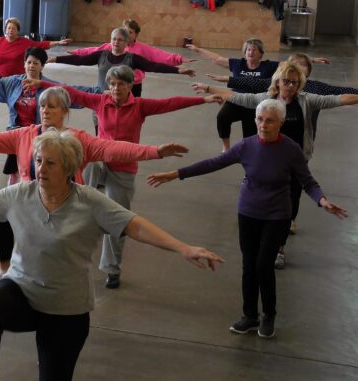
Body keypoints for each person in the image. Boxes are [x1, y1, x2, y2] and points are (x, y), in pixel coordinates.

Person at [0, 130, 223, 381]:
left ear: (69, 167)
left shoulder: (90, 202)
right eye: (38, 161)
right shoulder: (21, 193)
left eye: (50, 163)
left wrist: (184, 248)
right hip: (21, 292)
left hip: (65, 309)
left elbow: (135, 226)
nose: (41, 168)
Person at [0, 86, 189, 285]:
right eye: (43, 106)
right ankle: (4, 268)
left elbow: (114, 149)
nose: (45, 111)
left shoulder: (80, 140)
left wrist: (155, 151)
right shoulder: (24, 135)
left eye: (52, 107)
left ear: (65, 112)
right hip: (30, 200)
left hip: (64, 205)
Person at [147, 99, 346, 339]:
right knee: (249, 265)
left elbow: (308, 181)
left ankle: (269, 314)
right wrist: (175, 174)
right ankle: (250, 315)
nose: (263, 125)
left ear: (280, 123)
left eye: (269, 121)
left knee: (264, 265)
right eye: (260, 119)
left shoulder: (291, 149)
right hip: (248, 212)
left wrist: (322, 201)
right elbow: (213, 163)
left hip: (277, 215)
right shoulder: (247, 145)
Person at [26, 65, 220, 288]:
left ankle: (112, 268)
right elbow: (70, 91)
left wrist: (204, 100)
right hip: (100, 161)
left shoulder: (140, 106)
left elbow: (171, 103)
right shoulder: (100, 101)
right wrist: (42, 83)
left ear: (130, 86)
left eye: (121, 84)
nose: (115, 88)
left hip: (124, 168)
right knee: (89, 162)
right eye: (112, 84)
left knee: (118, 221)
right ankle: (81, 203)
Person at [193, 61, 358, 268]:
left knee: (291, 201)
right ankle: (261, 232)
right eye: (286, 81)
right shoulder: (266, 99)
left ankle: (280, 247)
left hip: (295, 161)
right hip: (267, 160)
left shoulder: (307, 101)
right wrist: (209, 88)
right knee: (264, 197)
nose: (290, 86)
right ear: (278, 82)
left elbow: (337, 99)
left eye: (295, 82)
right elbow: (237, 96)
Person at [0, 47, 98, 184]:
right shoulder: (12, 83)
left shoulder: (49, 87)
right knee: (16, 175)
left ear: (42, 66)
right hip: (17, 134)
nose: (32, 66)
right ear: (24, 64)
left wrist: (99, 94)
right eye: (29, 62)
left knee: (39, 171)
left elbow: (73, 93)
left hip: (40, 136)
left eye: (36, 63)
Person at [187, 40, 330, 151]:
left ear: (261, 54)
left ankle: (251, 153)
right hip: (237, 100)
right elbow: (217, 58)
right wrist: (198, 49)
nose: (250, 52)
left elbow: (293, 63)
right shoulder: (237, 64)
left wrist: (312, 60)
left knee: (251, 135)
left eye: (254, 50)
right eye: (248, 50)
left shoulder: (268, 66)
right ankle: (226, 147)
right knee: (222, 117)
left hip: (255, 104)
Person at [0, 17, 70, 112]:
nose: (10, 30)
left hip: (17, 78)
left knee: (19, 101)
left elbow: (41, 45)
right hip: (0, 74)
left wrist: (58, 42)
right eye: (9, 28)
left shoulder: (24, 42)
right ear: (6, 29)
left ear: (18, 31)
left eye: (13, 28)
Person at [60, 19, 189, 96]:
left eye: (130, 32)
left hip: (133, 86)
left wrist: (179, 60)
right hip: (112, 86)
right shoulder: (113, 45)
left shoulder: (142, 48)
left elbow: (158, 58)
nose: (126, 34)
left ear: (136, 34)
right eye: (125, 31)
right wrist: (77, 52)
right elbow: (94, 51)